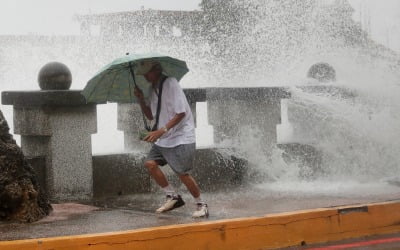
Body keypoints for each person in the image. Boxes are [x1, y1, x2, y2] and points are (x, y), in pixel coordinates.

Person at [134, 60, 209, 218]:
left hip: (181, 136)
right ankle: (173, 196)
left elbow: (180, 113)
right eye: (144, 74)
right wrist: (140, 99)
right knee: (150, 164)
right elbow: (150, 115)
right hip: (164, 138)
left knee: (182, 173)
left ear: (157, 69)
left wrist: (161, 131)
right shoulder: (151, 89)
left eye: (148, 72)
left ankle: (201, 204)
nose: (146, 76)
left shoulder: (171, 83)